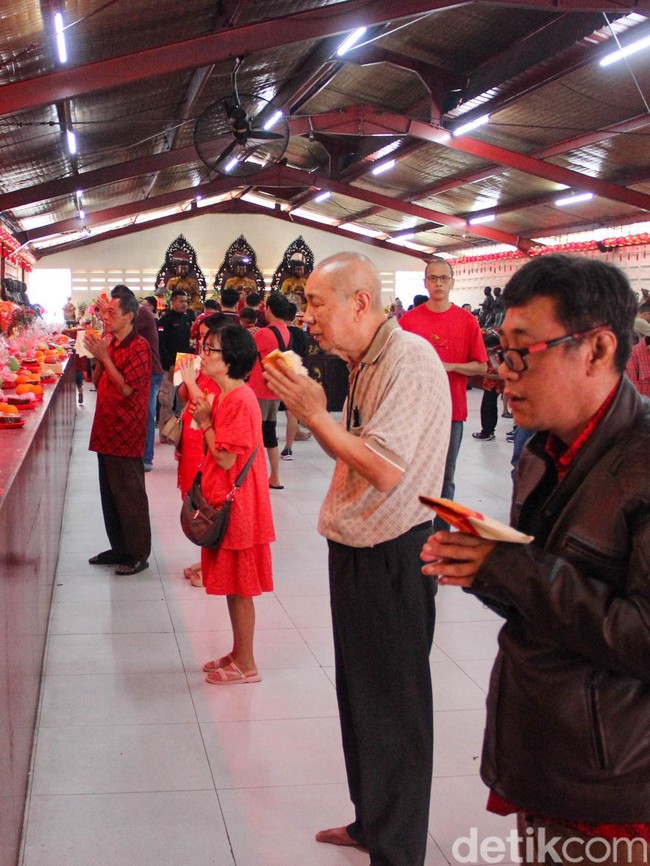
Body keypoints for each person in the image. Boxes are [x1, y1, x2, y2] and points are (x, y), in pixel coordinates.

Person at [420, 254, 650, 865]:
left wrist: (510, 570)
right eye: (501, 352)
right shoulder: (546, 450)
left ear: (597, 350)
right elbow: (552, 595)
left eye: (522, 352)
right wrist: (483, 566)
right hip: (551, 749)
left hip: (618, 784)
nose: (502, 373)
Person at [263, 252, 451, 866]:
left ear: (360, 303)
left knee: (394, 705)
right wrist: (315, 407)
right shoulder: (366, 361)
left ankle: (398, 849)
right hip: (358, 546)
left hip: (394, 553)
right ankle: (373, 820)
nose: (308, 317)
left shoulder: (410, 360)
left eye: (317, 303)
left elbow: (382, 469)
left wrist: (313, 412)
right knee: (361, 695)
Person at [189, 321, 275, 684]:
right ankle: (238, 652)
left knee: (241, 586)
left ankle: (247, 663)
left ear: (232, 359)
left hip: (239, 504)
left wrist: (206, 423)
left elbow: (224, 458)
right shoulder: (225, 394)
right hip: (226, 497)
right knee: (231, 583)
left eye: (211, 350)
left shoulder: (240, 399)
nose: (203, 355)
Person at [400, 256, 487, 530]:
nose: (438, 283)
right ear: (425, 283)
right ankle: (413, 531)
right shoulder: (410, 321)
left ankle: (440, 534)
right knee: (412, 473)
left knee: (445, 476)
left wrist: (450, 366)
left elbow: (481, 366)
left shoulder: (467, 321)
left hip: (452, 410)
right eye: (433, 278)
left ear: (452, 283)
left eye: (443, 278)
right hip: (415, 411)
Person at [85, 288, 152, 575]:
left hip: (127, 429)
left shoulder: (139, 347)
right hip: (106, 426)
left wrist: (106, 357)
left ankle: (138, 553)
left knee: (129, 492)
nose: (105, 316)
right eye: (104, 311)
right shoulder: (110, 341)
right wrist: (99, 356)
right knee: (110, 492)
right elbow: (98, 381)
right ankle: (119, 547)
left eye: (112, 312)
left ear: (129, 316)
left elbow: (126, 388)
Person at [176, 313, 226, 587]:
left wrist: (192, 383)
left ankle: (213, 566)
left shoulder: (225, 378)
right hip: (194, 436)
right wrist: (187, 379)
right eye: (201, 341)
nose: (202, 349)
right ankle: (207, 560)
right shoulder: (201, 364)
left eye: (208, 344)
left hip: (207, 440)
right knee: (197, 498)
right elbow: (185, 397)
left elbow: (210, 410)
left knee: (210, 502)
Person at [111, 285, 164, 472]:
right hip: (141, 371)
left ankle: (146, 458)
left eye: (114, 309)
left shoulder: (140, 315)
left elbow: (117, 335)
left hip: (151, 372)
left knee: (147, 415)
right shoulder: (138, 314)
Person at [247, 291, 293, 489]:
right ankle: (274, 476)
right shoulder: (286, 331)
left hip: (259, 389)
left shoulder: (265, 333)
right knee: (270, 433)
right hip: (274, 389)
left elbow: (248, 350)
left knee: (254, 435)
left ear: (270, 309)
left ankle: (252, 477)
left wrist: (250, 334)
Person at [157, 289, 193, 441]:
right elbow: (161, 345)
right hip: (170, 367)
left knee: (184, 400)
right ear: (172, 302)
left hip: (186, 365)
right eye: (181, 301)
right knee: (167, 401)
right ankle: (165, 434)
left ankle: (179, 433)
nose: (184, 304)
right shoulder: (164, 321)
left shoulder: (187, 319)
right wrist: (170, 365)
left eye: (186, 301)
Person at [472, 329, 504, 441]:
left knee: (488, 409)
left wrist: (483, 373)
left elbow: (500, 374)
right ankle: (488, 431)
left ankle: (487, 431)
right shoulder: (493, 356)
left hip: (493, 386)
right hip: (490, 385)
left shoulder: (496, 357)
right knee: (489, 408)